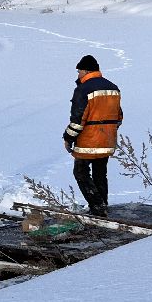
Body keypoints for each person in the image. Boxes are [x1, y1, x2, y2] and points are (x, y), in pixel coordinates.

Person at [63, 54, 122, 216]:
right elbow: (119, 117)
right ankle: (102, 204)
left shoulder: (83, 89)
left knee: (80, 172)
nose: (78, 74)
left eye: (79, 71)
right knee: (100, 172)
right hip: (108, 140)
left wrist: (68, 138)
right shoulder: (113, 88)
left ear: (86, 70)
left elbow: (77, 120)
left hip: (88, 141)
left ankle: (97, 206)